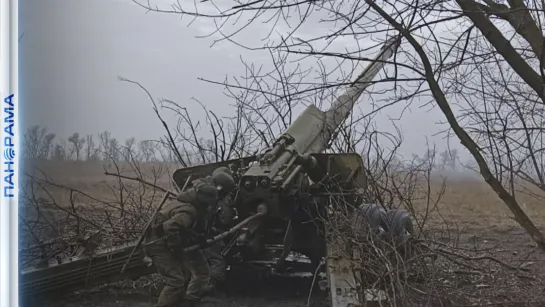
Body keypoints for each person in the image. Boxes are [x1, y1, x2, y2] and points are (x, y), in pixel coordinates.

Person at [144, 180, 219, 307]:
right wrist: (176, 249)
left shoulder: (188, 202)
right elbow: (170, 227)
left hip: (168, 241)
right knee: (176, 281)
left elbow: (184, 229)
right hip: (159, 244)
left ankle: (186, 302)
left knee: (192, 274)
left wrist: (197, 237)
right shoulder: (188, 211)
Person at [194, 167, 237, 294]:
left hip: (205, 232)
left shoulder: (203, 190)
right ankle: (209, 288)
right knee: (217, 261)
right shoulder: (207, 197)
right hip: (200, 234)